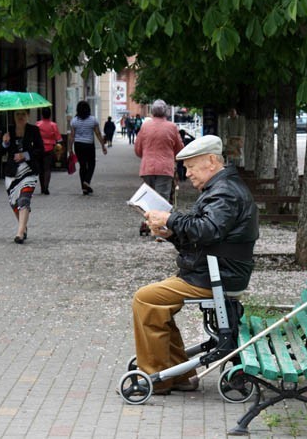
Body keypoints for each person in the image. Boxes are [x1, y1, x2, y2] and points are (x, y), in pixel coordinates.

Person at [135, 135, 259, 394]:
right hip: (212, 271)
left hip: (216, 276)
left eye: (191, 166)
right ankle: (179, 374)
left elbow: (207, 231)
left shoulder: (224, 192)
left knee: (146, 300)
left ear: (211, 161)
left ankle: (157, 378)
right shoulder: (222, 188)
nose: (187, 173)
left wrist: (170, 220)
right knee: (157, 303)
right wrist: (172, 233)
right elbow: (205, 236)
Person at [0, 110, 44, 243]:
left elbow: (40, 150)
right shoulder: (8, 130)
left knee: (24, 200)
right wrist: (4, 143)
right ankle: (23, 226)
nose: (20, 117)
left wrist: (26, 155)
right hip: (12, 172)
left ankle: (19, 233)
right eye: (17, 114)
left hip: (29, 171)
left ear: (28, 116)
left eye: (23, 114)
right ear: (13, 116)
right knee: (14, 203)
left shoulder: (33, 130)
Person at [134, 100, 184, 203]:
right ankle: (159, 218)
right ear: (166, 111)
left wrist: (147, 155)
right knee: (162, 199)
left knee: (149, 198)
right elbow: (179, 149)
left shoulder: (145, 126)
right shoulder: (172, 127)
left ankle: (150, 218)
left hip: (147, 167)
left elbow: (138, 149)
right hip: (165, 168)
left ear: (152, 111)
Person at [67, 101, 107, 195]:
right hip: (89, 145)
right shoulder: (93, 120)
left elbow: (71, 136)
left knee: (82, 166)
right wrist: (102, 145)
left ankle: (84, 187)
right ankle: (87, 181)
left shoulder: (74, 121)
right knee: (92, 164)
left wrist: (70, 149)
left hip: (78, 145)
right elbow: (98, 133)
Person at [36, 106, 62, 195]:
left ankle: (42, 188)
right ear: (50, 114)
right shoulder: (53, 125)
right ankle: (46, 187)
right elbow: (58, 138)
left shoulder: (38, 124)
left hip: (39, 148)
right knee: (47, 169)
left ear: (42, 114)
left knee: (41, 169)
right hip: (50, 148)